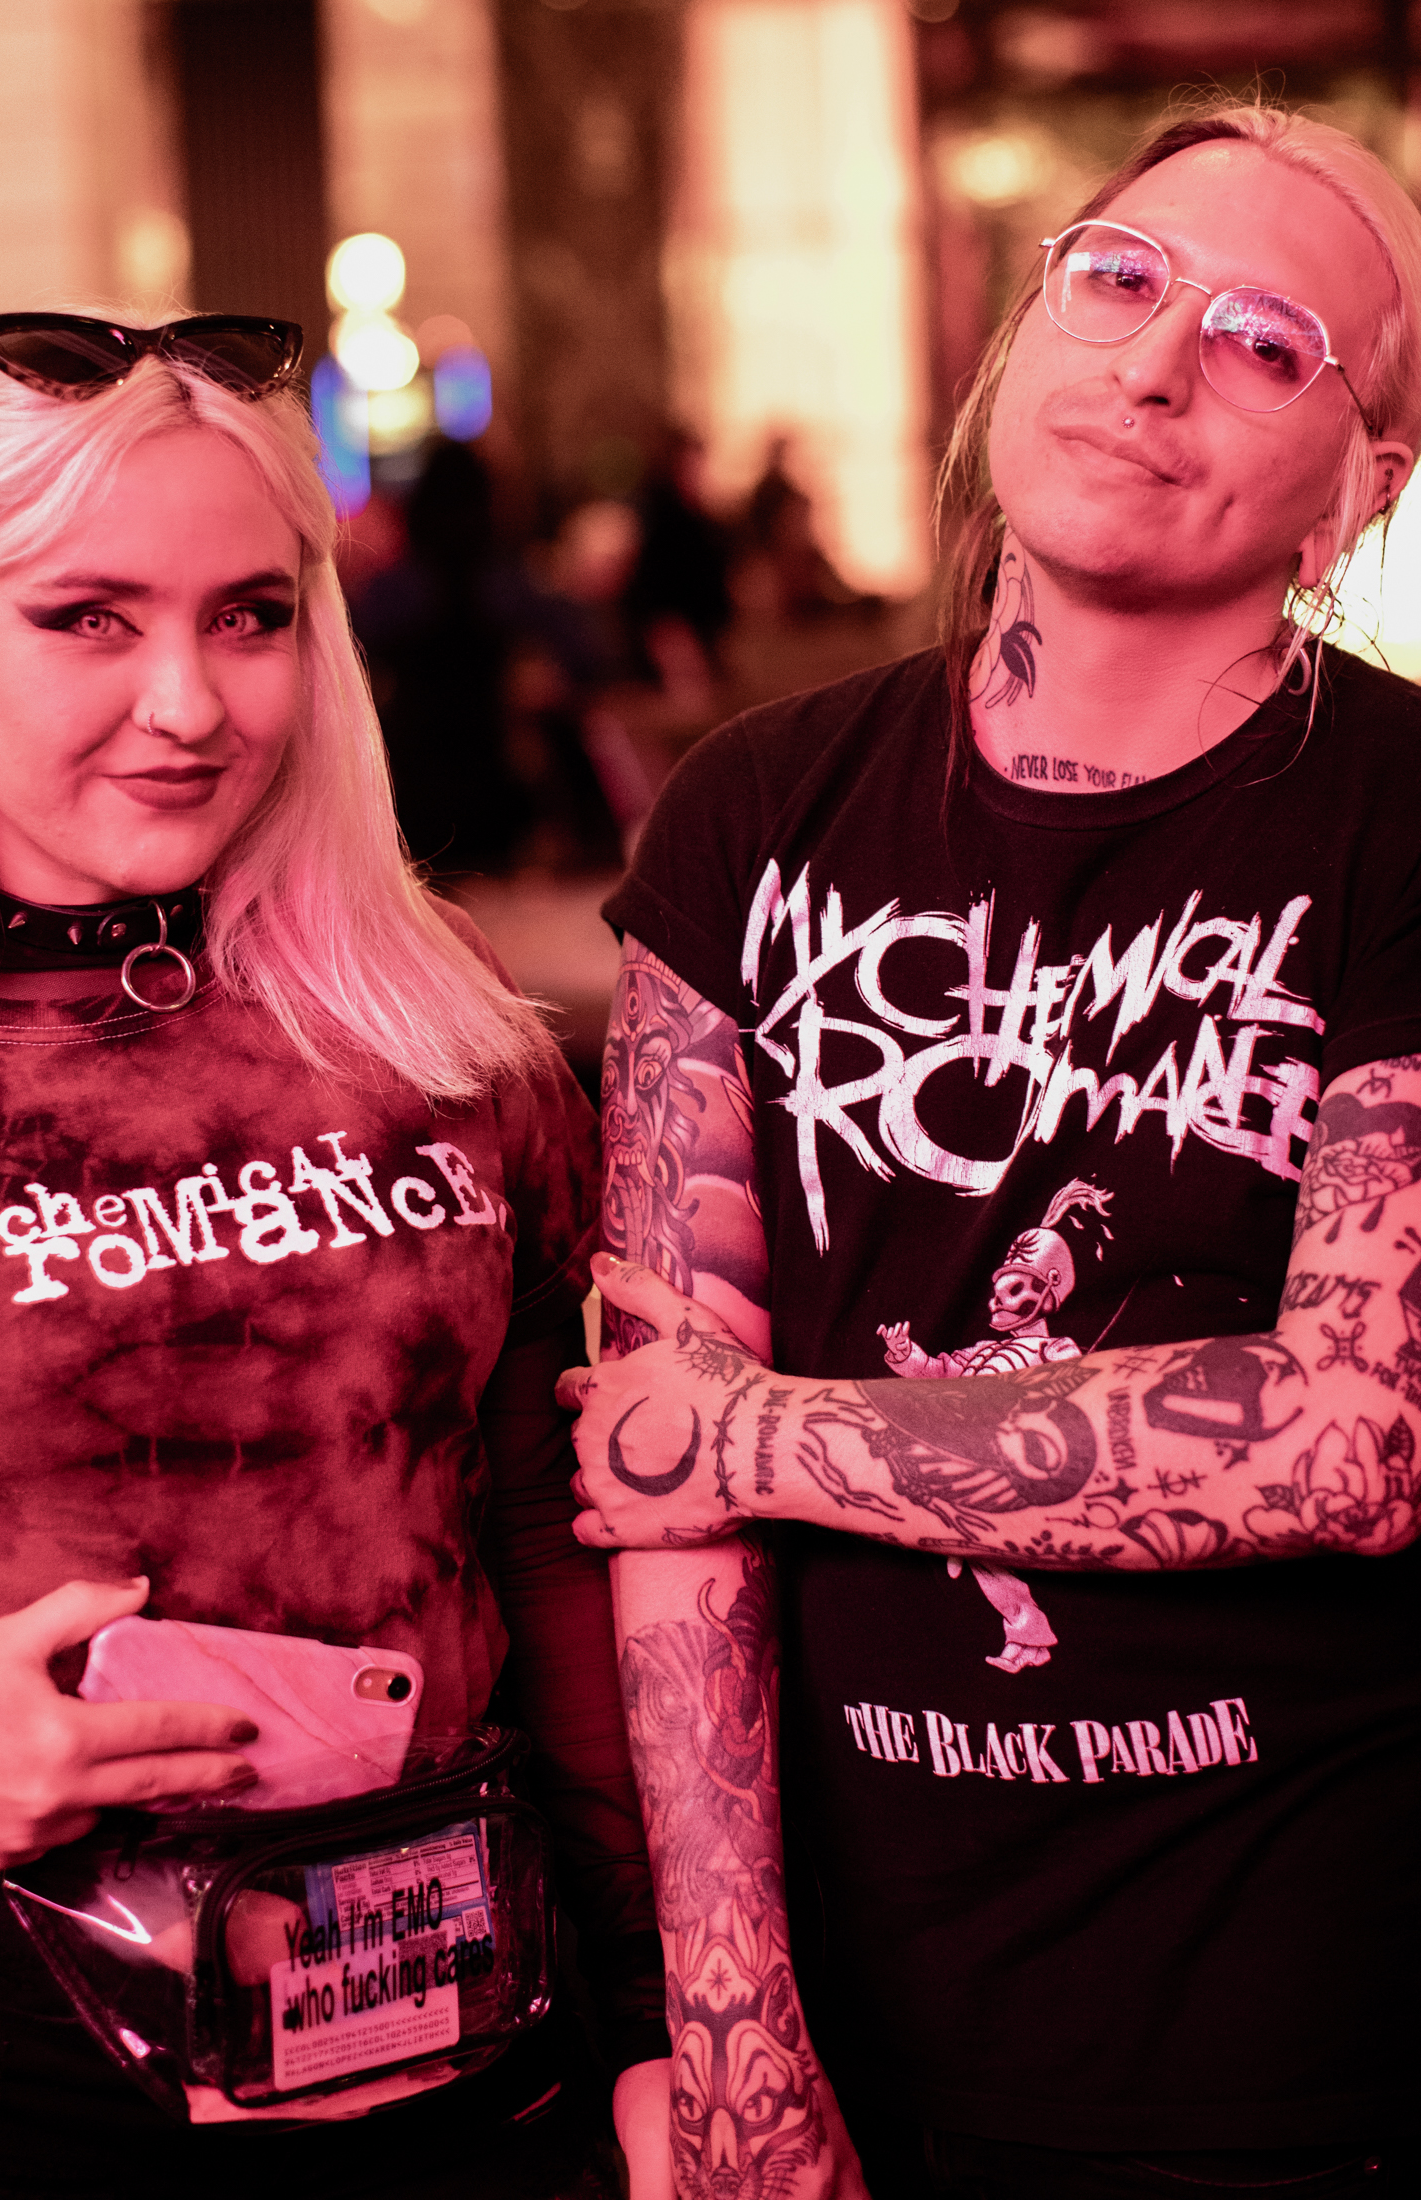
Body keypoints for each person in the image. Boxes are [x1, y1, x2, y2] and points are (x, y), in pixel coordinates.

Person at [0, 311, 668, 2198]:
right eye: (89, 617)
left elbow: (552, 1559)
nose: (195, 703)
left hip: (477, 2084)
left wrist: (666, 2029)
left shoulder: (451, 1051)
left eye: (252, 613)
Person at [562, 102, 1421, 2199]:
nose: (1152, 359)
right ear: (1019, 335)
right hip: (865, 1987)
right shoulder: (751, 809)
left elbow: (1342, 1438)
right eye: (1116, 281)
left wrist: (751, 1428)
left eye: (1263, 339)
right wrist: (737, 2031)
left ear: (1359, 489)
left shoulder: (1397, 814)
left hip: (1308, 2007)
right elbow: (653, 1517)